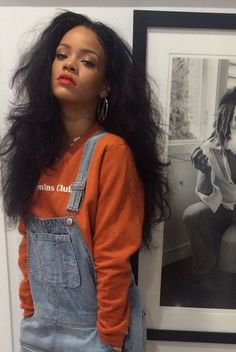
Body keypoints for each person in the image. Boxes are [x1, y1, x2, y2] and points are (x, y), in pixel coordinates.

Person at [0, 10, 169, 352]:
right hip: (38, 330)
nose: (70, 65)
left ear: (106, 85)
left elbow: (112, 259)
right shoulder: (37, 151)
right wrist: (30, 311)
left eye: (87, 62)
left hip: (94, 335)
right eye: (62, 56)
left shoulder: (111, 152)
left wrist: (108, 339)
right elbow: (27, 243)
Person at [183, 87, 236, 276]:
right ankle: (205, 270)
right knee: (193, 214)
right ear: (226, 119)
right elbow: (206, 195)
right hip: (223, 208)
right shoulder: (210, 148)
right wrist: (204, 171)